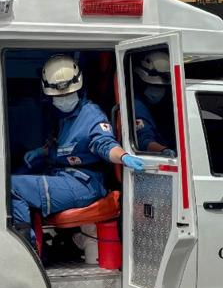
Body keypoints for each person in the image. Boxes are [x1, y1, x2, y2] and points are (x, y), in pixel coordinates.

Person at [11, 54, 144, 239]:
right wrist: (40, 152)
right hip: (64, 175)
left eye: (68, 94)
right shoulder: (61, 117)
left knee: (12, 185)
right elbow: (65, 147)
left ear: (79, 89)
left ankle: (25, 243)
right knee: (18, 173)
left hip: (84, 183)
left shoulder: (90, 115)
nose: (64, 99)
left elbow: (105, 144)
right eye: (59, 96)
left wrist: (122, 156)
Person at [131, 50, 176, 156]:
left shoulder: (165, 104)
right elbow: (144, 141)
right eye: (154, 86)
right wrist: (163, 150)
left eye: (162, 87)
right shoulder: (138, 106)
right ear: (142, 83)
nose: (158, 91)